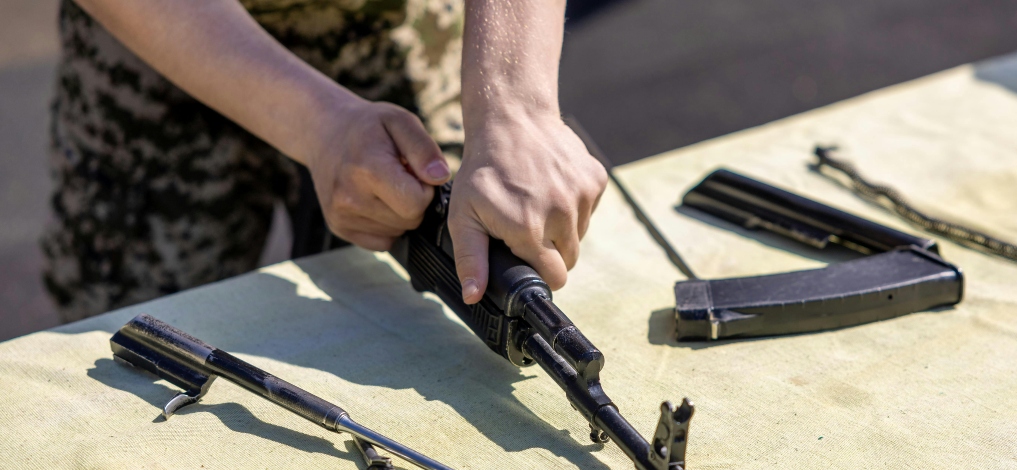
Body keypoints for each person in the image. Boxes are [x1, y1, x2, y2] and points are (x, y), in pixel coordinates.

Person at [41, 0, 607, 322]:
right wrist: (319, 124)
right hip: (165, 41)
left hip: (390, 31)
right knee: (134, 343)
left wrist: (513, 105)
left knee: (434, 321)